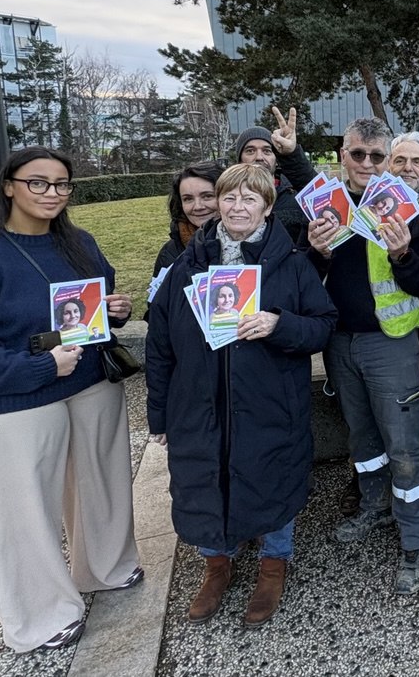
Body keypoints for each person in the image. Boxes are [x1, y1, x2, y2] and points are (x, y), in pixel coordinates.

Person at [0, 146, 141, 653]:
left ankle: (104, 566)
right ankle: (41, 615)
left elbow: (89, 307)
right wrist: (38, 367)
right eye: (38, 183)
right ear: (8, 186)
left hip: (87, 383)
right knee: (23, 510)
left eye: (62, 184)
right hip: (16, 399)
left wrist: (116, 310)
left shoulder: (78, 243)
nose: (52, 194)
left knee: (101, 486)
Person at [146, 162, 336, 629]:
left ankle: (274, 564)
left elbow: (324, 325)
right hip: (199, 405)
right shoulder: (186, 266)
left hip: (269, 403)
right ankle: (217, 564)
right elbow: (160, 345)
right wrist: (159, 417)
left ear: (268, 207)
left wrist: (279, 324)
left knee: (272, 477)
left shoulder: (290, 264)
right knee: (202, 480)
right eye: (229, 197)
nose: (237, 207)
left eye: (249, 198)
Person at [308, 117, 419, 595]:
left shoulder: (408, 210)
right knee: (362, 438)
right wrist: (317, 251)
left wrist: (404, 255)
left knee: (404, 444)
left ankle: (417, 537)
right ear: (342, 154)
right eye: (357, 154)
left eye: (376, 156)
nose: (366, 163)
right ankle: (375, 505)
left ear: (387, 160)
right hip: (340, 342)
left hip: (392, 342)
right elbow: (307, 277)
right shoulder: (325, 207)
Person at [233, 106, 316, 244]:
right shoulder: (229, 199)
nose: (259, 157)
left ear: (275, 158)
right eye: (250, 151)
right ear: (239, 159)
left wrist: (292, 153)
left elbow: (323, 194)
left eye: (267, 151)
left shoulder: (296, 194)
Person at [151, 161, 225, 276]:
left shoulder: (255, 242)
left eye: (208, 196)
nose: (198, 207)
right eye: (188, 199)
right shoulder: (170, 252)